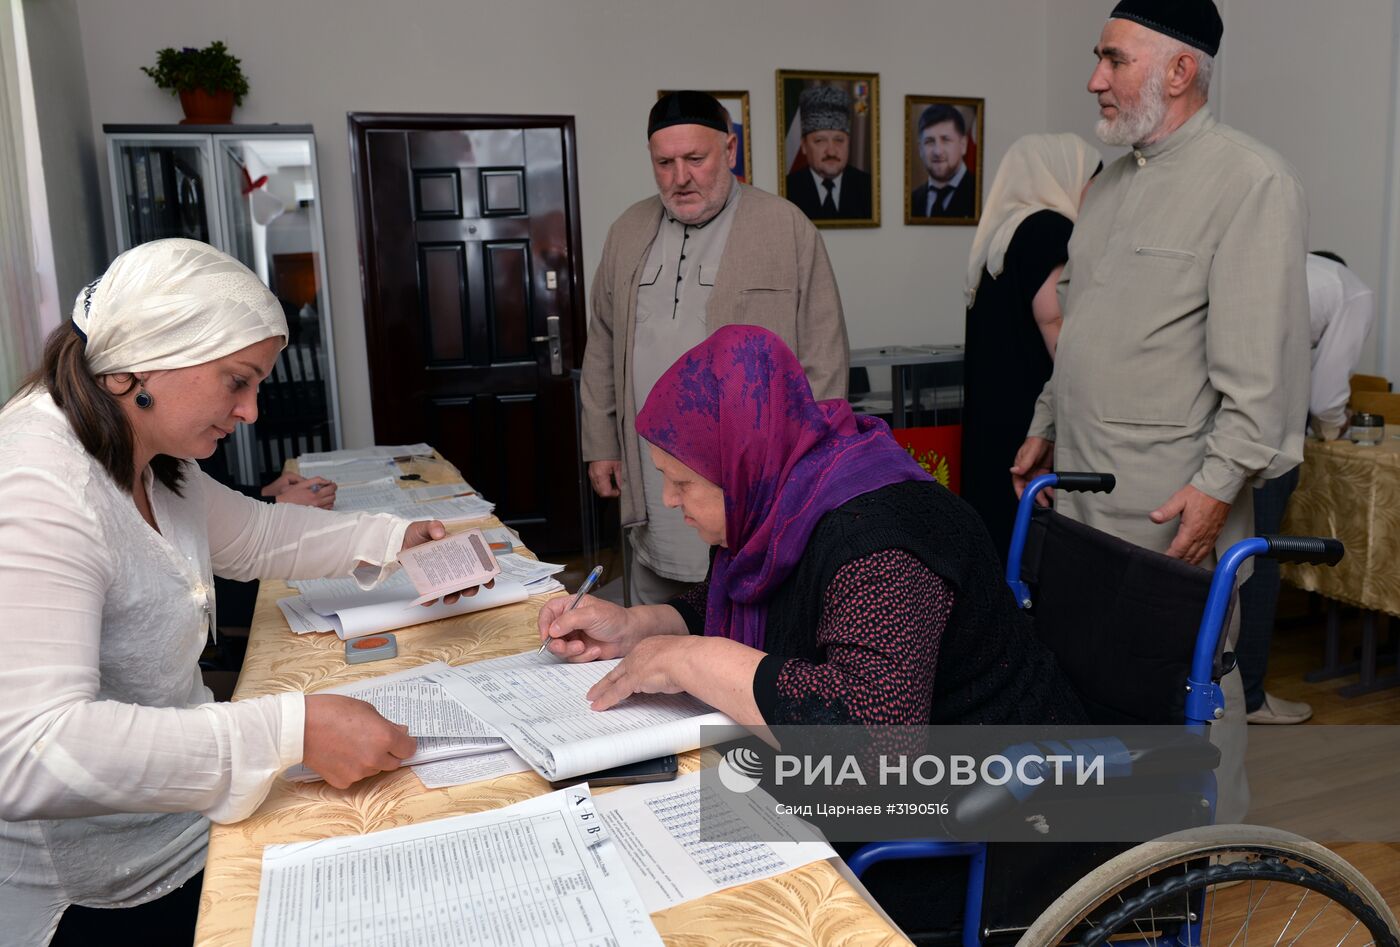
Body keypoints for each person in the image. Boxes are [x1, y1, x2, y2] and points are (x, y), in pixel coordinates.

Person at [0, 239, 470, 945]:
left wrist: (395, 540)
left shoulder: (148, 453)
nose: (250, 411)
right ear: (145, 359)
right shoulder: (39, 482)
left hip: (188, 822)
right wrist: (292, 728)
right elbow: (33, 749)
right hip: (103, 891)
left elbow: (260, 536)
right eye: (236, 381)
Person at [552, 326, 1083, 935]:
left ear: (746, 460)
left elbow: (873, 739)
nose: (670, 500)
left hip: (992, 829)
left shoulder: (883, 539)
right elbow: (750, 601)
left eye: (685, 482)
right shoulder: (791, 491)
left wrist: (692, 660)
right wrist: (634, 628)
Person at [1011, 0, 1310, 823]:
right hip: (1079, 499)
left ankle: (1198, 865)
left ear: (1181, 71)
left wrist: (1214, 494)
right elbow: (1082, 329)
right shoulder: (1108, 185)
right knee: (1091, 687)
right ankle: (1112, 866)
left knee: (1191, 692)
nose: (1094, 80)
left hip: (1168, 513)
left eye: (1113, 61)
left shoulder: (1251, 183)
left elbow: (1261, 383)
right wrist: (1043, 424)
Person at [580, 90, 849, 606]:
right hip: (654, 466)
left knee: (749, 605)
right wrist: (601, 443)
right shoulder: (627, 231)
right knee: (656, 599)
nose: (680, 177)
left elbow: (825, 354)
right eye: (665, 163)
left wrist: (815, 467)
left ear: (729, 150)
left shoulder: (786, 228)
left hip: (751, 475)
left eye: (695, 160)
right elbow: (603, 341)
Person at [1237, 251, 1375, 725]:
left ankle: (1213, 684)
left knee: (1227, 554)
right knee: (1261, 557)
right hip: (1265, 429)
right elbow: (1326, 395)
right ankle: (1250, 696)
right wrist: (1333, 428)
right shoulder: (1352, 291)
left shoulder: (1289, 268)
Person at [960, 133, 1101, 559]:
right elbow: (1056, 325)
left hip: (994, 422)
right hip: (1033, 426)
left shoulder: (999, 237)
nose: (1097, 191)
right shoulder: (1049, 229)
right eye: (1093, 179)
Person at [783, 86, 873, 221]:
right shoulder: (787, 190)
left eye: (839, 140)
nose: (831, 151)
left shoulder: (870, 188)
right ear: (804, 146)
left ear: (849, 142)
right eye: (820, 141)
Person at [910, 103, 978, 219]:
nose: (937, 152)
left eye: (946, 140)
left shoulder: (981, 195)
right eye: (929, 141)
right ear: (920, 149)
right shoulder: (911, 200)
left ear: (963, 145)